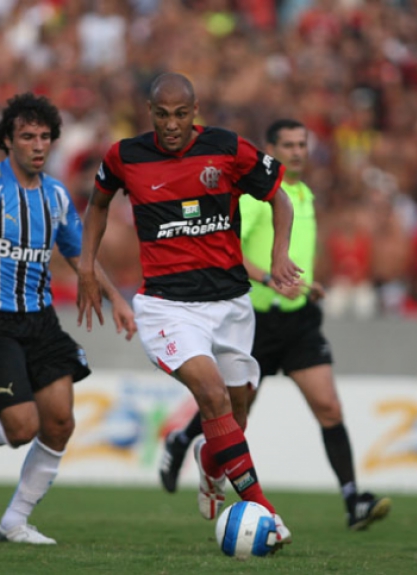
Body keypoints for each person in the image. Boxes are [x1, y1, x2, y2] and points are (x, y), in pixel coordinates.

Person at [76, 73, 301, 549]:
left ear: (194, 110)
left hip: (231, 303)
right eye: (162, 115)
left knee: (236, 412)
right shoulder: (124, 156)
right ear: (150, 112)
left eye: (181, 114)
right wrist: (86, 266)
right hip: (167, 307)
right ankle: (265, 509)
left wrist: (279, 255)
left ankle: (209, 462)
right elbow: (97, 207)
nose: (172, 124)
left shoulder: (228, 149)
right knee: (212, 393)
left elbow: (280, 199)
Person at [0, 93, 135, 545]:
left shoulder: (55, 195)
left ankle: (14, 521)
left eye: (44, 137)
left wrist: (117, 299)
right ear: (8, 142)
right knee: (20, 429)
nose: (37, 145)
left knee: (59, 422)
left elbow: (79, 253)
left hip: (40, 321)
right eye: (27, 137)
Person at [157, 119, 393, 531]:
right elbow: (228, 253)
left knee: (329, 406)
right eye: (288, 145)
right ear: (270, 149)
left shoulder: (303, 195)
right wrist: (271, 280)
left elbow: (292, 254)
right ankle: (182, 440)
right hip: (255, 323)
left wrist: (306, 285)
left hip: (299, 320)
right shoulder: (252, 199)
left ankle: (353, 499)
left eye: (303, 144)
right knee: (231, 412)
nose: (298, 152)